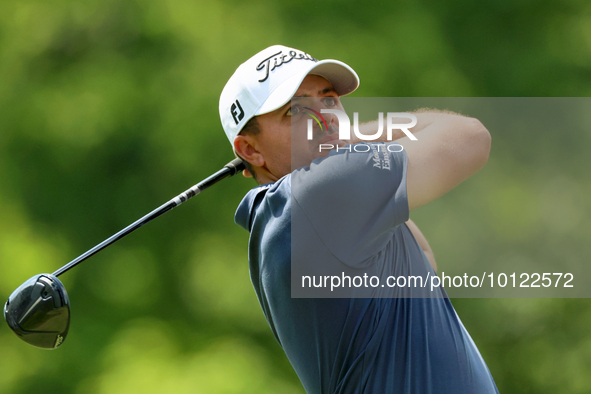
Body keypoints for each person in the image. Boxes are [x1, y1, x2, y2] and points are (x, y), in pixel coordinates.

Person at [219, 45, 498, 393]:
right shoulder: (318, 195)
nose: (324, 119)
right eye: (295, 111)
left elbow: (423, 258)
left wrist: (334, 141)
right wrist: (351, 137)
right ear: (250, 151)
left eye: (329, 100)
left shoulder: (291, 216)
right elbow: (469, 137)